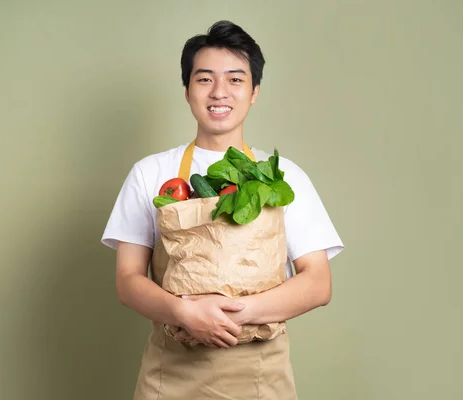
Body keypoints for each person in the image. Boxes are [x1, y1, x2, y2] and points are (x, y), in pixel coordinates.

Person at [102, 20, 344, 400]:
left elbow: (318, 283)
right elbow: (128, 280)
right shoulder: (150, 174)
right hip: (171, 376)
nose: (220, 92)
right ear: (187, 90)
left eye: (235, 79)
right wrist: (185, 314)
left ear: (254, 92)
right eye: (204, 79)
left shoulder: (282, 175)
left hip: (261, 377)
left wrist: (239, 312)